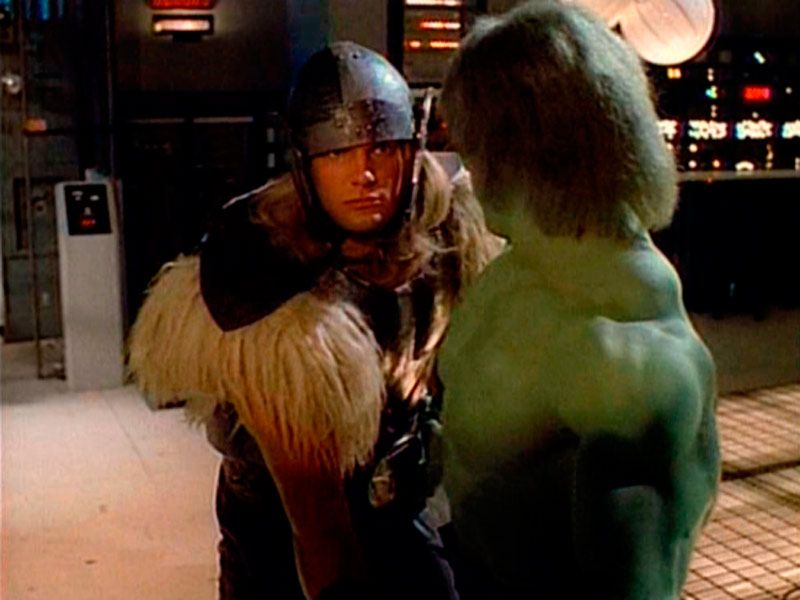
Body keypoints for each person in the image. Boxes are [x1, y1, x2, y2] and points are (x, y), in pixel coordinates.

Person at [127, 41, 503, 600]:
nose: (364, 173)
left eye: (382, 148)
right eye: (338, 154)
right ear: (305, 165)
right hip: (276, 532)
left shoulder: (445, 227)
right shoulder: (265, 283)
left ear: (412, 150)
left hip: (396, 498)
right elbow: (319, 528)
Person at [437, 2, 721, 599]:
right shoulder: (523, 264)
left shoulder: (633, 368)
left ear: (512, 149)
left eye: (470, 142)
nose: (465, 165)